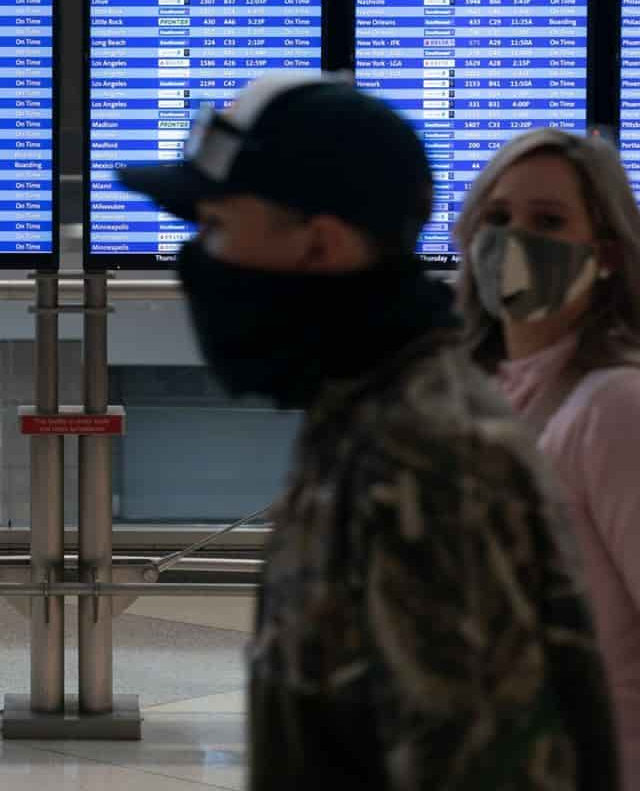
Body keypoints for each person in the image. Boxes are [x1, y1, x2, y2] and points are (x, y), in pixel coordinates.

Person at [120, 73, 618, 790]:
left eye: (219, 226)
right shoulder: (361, 415)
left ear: (320, 246)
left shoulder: (426, 461)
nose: (200, 257)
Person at [456, 128, 640, 789]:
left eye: (549, 221)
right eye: (497, 218)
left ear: (609, 255)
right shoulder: (479, 400)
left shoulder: (614, 407)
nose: (513, 240)